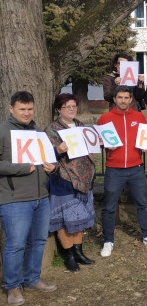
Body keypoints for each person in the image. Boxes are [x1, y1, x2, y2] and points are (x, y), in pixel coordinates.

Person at [0, 91, 57, 305]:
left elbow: (45, 158)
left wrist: (52, 167)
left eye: (29, 109)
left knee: (39, 240)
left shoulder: (36, 131)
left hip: (41, 197)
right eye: (22, 109)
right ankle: (13, 287)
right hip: (15, 199)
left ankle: (33, 279)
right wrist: (22, 169)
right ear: (11, 109)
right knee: (15, 245)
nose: (26, 113)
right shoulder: (3, 131)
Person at [97, 86, 147, 257]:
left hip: (136, 167)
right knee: (109, 206)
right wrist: (104, 144)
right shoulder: (105, 118)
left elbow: (146, 137)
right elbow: (98, 140)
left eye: (126, 97)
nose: (123, 100)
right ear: (114, 99)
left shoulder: (139, 116)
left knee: (142, 203)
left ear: (131, 99)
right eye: (120, 97)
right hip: (114, 168)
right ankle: (108, 240)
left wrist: (146, 146)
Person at [45, 94, 97, 272]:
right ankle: (68, 255)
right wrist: (57, 150)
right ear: (59, 109)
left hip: (84, 179)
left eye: (74, 106)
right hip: (64, 178)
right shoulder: (52, 129)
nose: (72, 109)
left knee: (79, 218)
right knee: (65, 220)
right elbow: (46, 156)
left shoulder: (81, 126)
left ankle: (78, 252)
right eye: (67, 107)